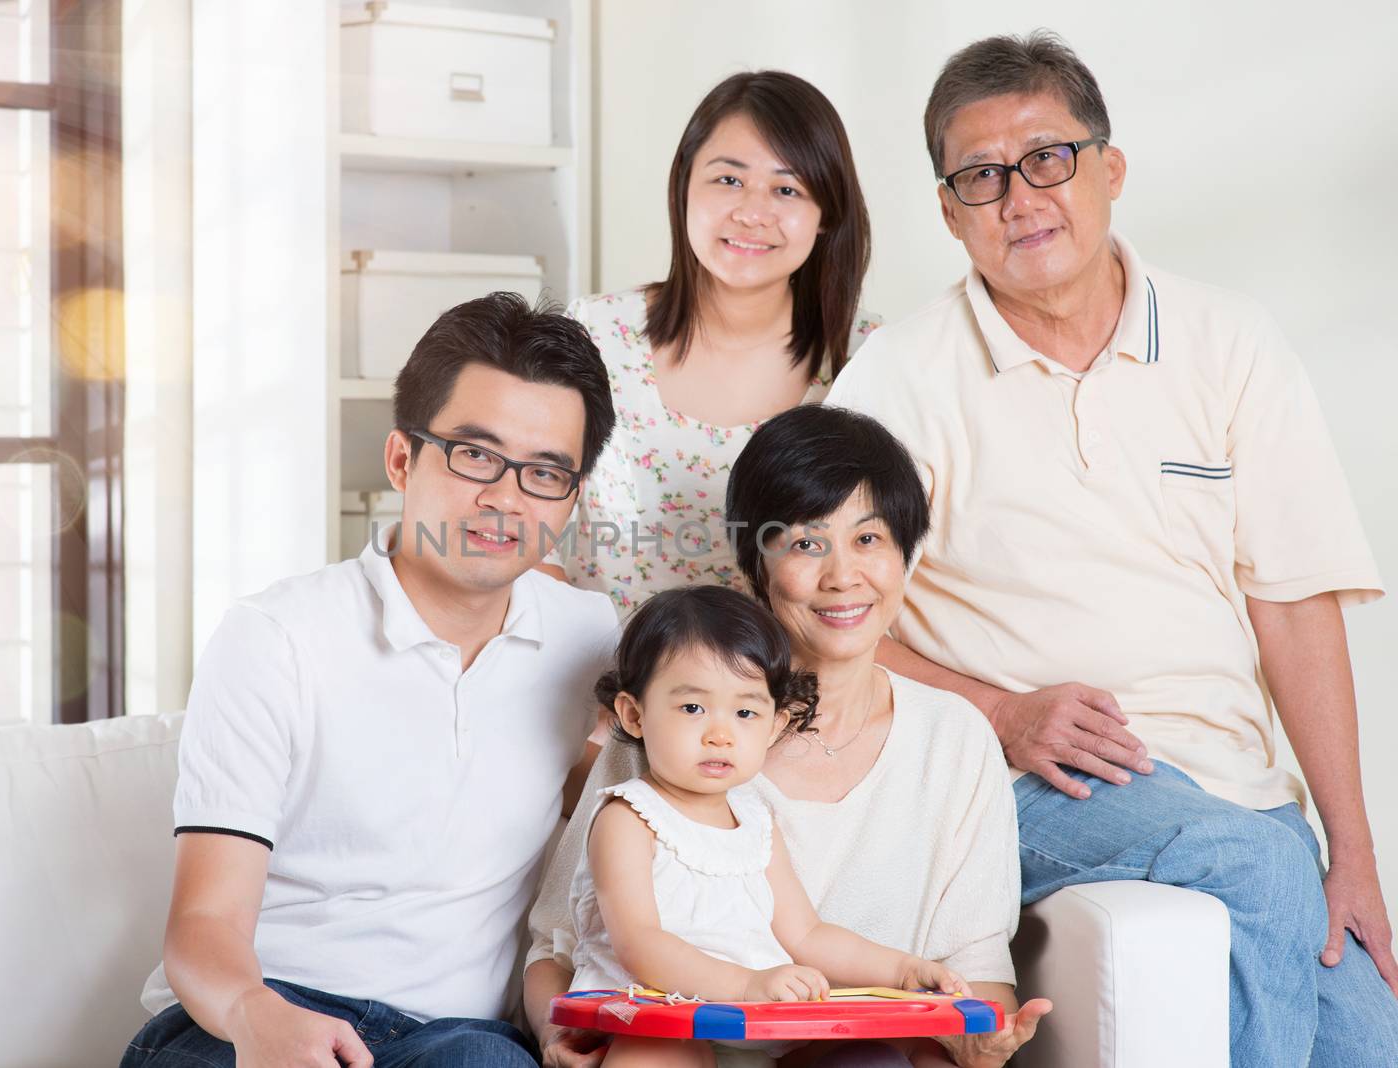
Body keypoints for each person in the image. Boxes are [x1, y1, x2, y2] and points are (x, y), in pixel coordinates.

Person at [826, 30, 1398, 1068]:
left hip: (1238, 795)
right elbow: (814, 624)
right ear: (950, 212)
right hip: (1031, 794)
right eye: (980, 177)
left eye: (1047, 158)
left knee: (1369, 1042)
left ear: (1109, 169)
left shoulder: (1231, 342)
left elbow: (1294, 603)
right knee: (1260, 880)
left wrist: (1351, 856)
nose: (1020, 198)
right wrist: (999, 714)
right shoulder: (895, 383)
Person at [120, 293, 620, 1068]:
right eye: (475, 455)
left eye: (545, 472)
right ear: (400, 459)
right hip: (256, 1016)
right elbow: (202, 923)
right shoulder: (277, 638)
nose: (506, 497)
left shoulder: (591, 639)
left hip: (455, 1041)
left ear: (573, 499)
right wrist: (256, 1018)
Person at [528, 405, 1050, 1068]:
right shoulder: (669, 739)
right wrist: (554, 1034)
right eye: (806, 543)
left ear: (905, 556)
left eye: (869, 540)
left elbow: (973, 976)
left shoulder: (954, 741)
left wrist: (978, 1039)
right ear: (755, 566)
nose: (842, 576)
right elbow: (559, 944)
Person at [570, 585, 967, 1068]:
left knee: (871, 1056)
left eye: (745, 712)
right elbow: (640, 944)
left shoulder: (755, 823)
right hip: (656, 1013)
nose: (720, 733)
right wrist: (745, 985)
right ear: (634, 715)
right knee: (652, 1057)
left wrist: (901, 968)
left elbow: (808, 935)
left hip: (755, 1022)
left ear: (775, 725)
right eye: (692, 708)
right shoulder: (629, 817)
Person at [548, 71, 877, 615]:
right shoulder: (598, 335)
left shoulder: (867, 359)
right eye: (728, 180)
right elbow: (524, 517)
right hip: (608, 684)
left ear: (827, 215)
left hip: (781, 692)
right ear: (683, 185)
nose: (752, 213)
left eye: (787, 188)